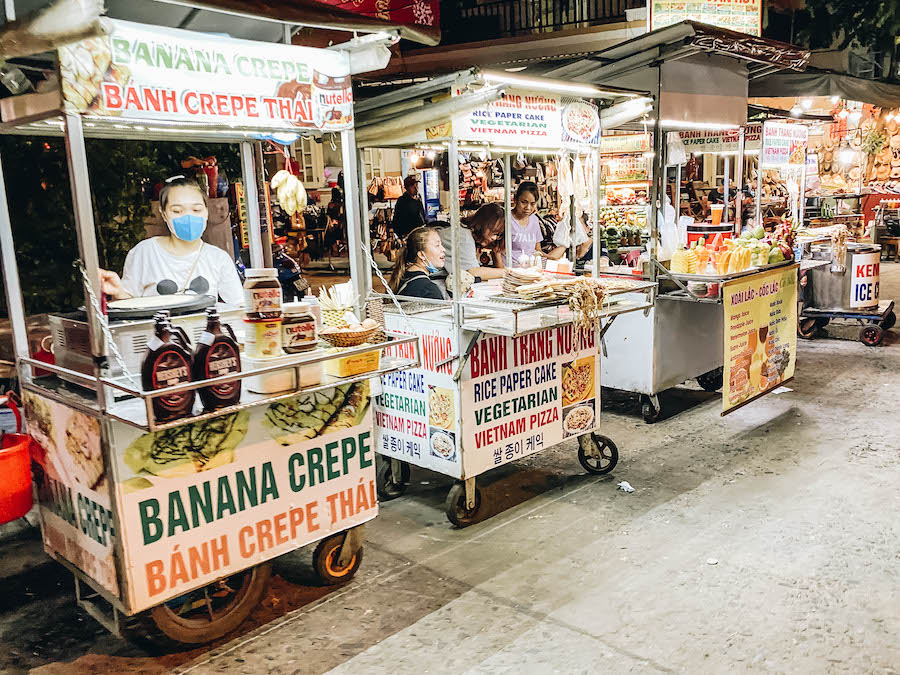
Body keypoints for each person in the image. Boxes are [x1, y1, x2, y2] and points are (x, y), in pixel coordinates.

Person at [100, 176, 243, 305]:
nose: (188, 216)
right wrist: (117, 292)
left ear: (206, 211)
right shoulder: (144, 252)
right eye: (177, 211)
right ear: (164, 214)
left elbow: (239, 306)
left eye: (196, 210)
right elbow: (128, 307)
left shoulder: (219, 258)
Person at [437, 202, 507, 281]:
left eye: (498, 235)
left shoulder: (467, 233)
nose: (494, 238)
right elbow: (472, 272)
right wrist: (508, 272)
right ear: (482, 223)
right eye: (493, 232)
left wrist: (496, 252)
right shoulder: (463, 236)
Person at [389, 226, 446, 300]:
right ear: (422, 255)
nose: (443, 249)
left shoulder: (402, 276)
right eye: (437, 245)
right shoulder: (427, 289)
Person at [509, 181, 544, 264]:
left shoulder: (534, 220)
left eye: (532, 204)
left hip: (530, 271)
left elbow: (538, 251)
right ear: (515, 200)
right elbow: (497, 252)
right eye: (523, 202)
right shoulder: (506, 220)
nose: (528, 208)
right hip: (511, 271)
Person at [391, 175, 426, 239]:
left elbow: (422, 214)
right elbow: (396, 220)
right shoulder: (402, 200)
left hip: (420, 232)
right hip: (408, 235)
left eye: (416, 184)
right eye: (412, 186)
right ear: (406, 188)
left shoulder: (418, 198)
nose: (416, 188)